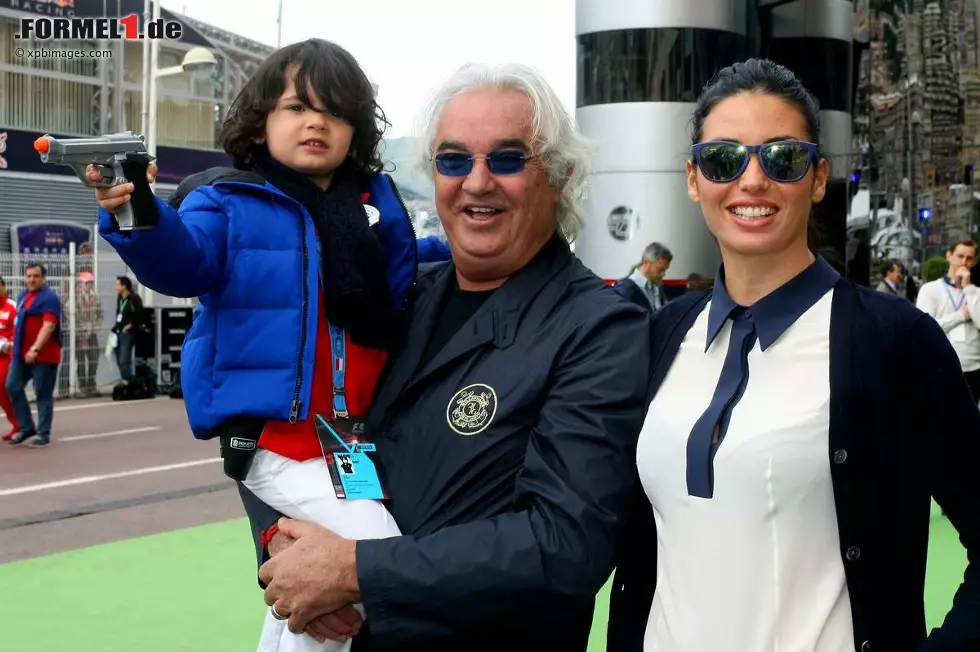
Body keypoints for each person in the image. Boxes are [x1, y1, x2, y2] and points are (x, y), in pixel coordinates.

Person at [243, 62, 652, 652]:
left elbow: (564, 544)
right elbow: (303, 425)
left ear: (560, 175)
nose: (477, 182)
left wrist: (353, 570)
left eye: (508, 159)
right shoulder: (397, 299)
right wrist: (282, 542)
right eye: (454, 160)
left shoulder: (599, 327)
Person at [606, 59, 980, 652]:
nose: (752, 180)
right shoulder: (661, 334)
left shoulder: (895, 342)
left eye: (782, 158)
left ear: (818, 177)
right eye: (723, 159)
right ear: (694, 179)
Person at [91, 39, 418, 652]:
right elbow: (182, 260)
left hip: (348, 441)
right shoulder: (229, 199)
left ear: (357, 129)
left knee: (316, 584)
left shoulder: (374, 205)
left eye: (336, 111)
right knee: (371, 556)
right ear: (261, 119)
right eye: (297, 107)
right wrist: (137, 210)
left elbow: (410, 279)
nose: (316, 122)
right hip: (275, 438)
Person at [915, 240, 980, 403]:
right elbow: (924, 330)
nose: (964, 262)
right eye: (960, 256)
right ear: (949, 256)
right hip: (942, 367)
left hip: (974, 368)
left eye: (969, 258)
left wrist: (968, 288)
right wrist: (961, 315)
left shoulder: (976, 293)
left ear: (974, 262)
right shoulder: (930, 290)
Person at [7, 263, 62, 448]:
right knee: (12, 386)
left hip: (43, 356)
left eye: (36, 276)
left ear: (43, 278)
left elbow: (49, 326)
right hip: (20, 355)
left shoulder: (50, 298)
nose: (32, 280)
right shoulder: (23, 296)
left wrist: (35, 348)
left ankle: (43, 433)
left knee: (43, 394)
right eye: (29, 276)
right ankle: (26, 427)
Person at [613, 242, 672, 312]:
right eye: (660, 269)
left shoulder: (658, 286)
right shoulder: (625, 289)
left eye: (665, 270)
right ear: (646, 262)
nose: (663, 274)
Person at [111, 275, 143, 384]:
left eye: (117, 285)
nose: (116, 287)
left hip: (128, 333)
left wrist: (130, 325)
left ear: (124, 286)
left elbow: (139, 315)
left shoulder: (134, 298)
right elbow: (119, 315)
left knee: (124, 360)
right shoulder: (120, 298)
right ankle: (126, 381)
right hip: (118, 331)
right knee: (118, 358)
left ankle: (130, 381)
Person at [0, 276, 18, 440]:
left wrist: (10, 344)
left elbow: (19, 331)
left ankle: (18, 423)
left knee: (3, 386)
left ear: (4, 287)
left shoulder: (12, 306)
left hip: (7, 356)